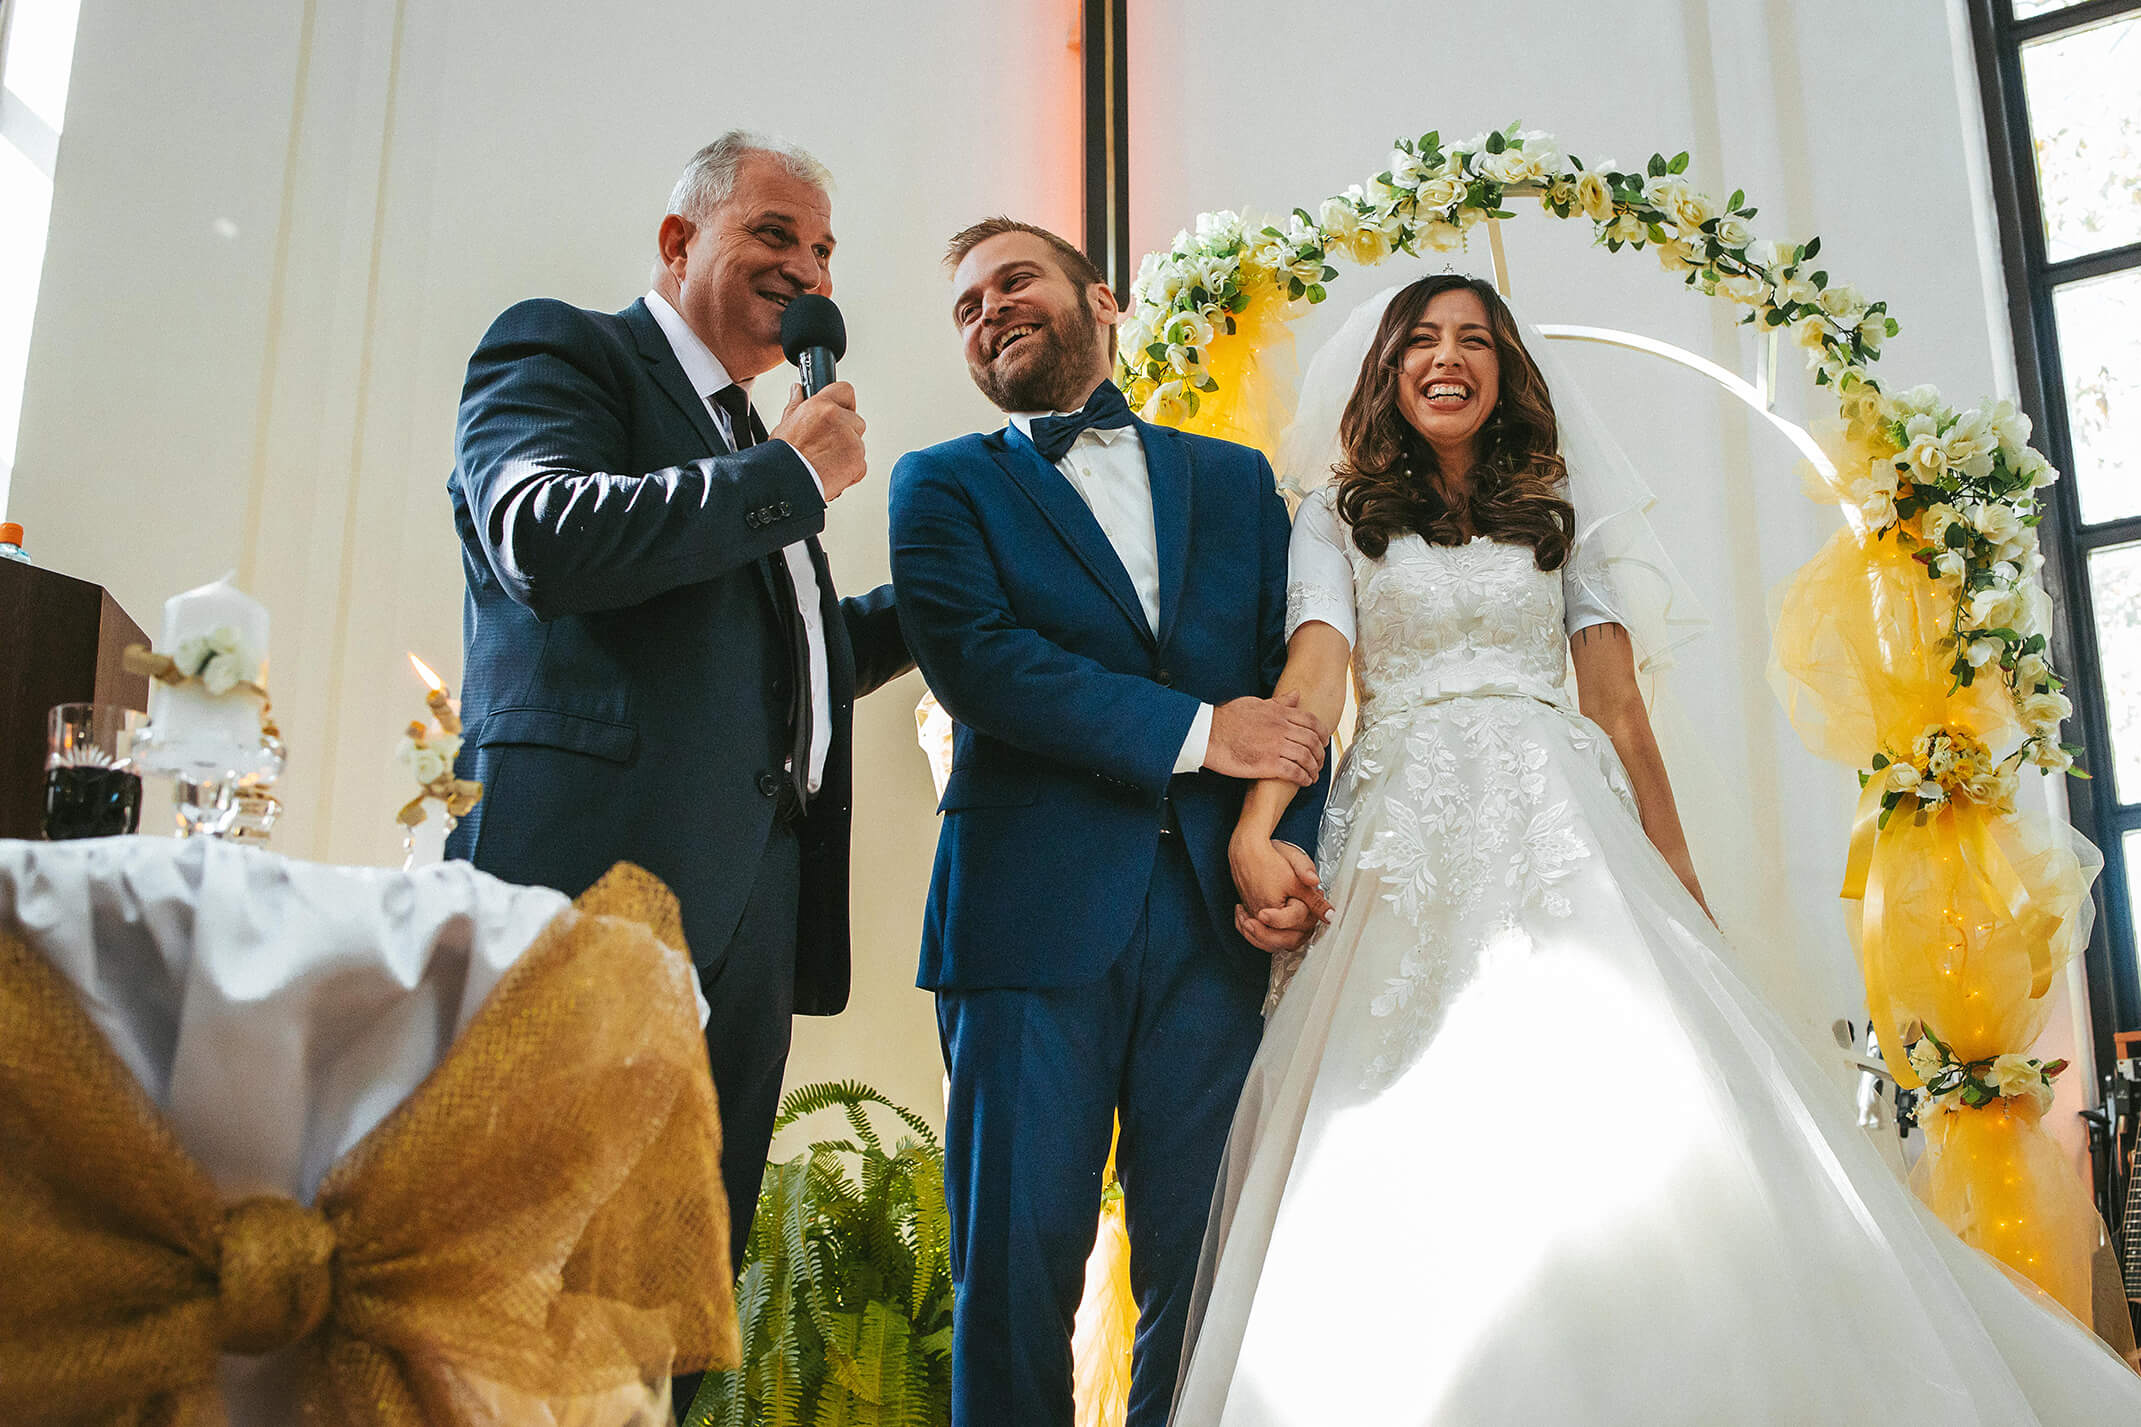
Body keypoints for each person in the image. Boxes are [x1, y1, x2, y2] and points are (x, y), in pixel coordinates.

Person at [1170, 274, 2141, 1424]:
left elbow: (1617, 707)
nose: (1446, 357)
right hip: (1404, 826)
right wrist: (1252, 826)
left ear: (1505, 371)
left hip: (1560, 813)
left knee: (1625, 1078)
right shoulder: (1336, 515)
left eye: (1473, 339)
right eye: (1420, 339)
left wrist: (1678, 879)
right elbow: (1313, 675)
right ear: (1387, 369)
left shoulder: (1555, 506)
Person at [445, 132, 912, 1309]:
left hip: (752, 913)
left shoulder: (751, 443)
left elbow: (791, 661)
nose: (808, 269)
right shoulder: (565, 349)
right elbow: (543, 534)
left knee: (669, 1302)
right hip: (592, 882)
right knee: (528, 1275)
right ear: (676, 240)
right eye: (773, 233)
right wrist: (787, 482)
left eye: (823, 251)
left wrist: (946, 596)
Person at [888, 217, 1332, 1427]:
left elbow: (1296, 683)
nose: (988, 309)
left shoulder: (1235, 482)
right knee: (1013, 1267)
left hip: (1212, 922)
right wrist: (1198, 731)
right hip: (1022, 918)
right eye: (966, 304)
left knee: (1206, 1263)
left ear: (1101, 299)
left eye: (1013, 280)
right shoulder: (940, 483)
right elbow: (980, 665)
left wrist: (1287, 843)